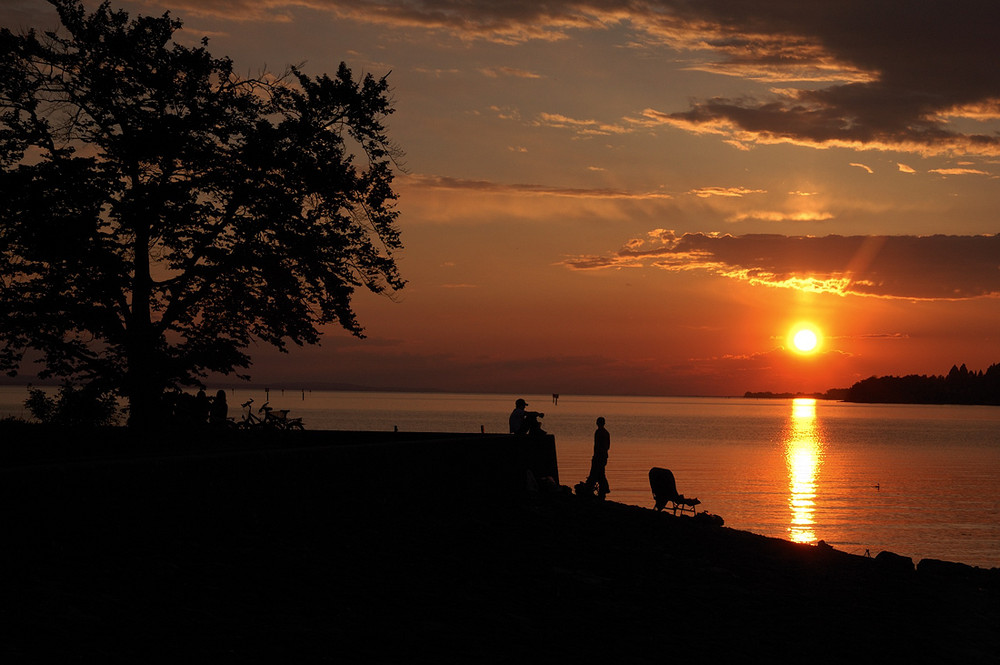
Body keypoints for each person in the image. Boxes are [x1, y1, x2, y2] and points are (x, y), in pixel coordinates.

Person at [585, 417, 611, 500]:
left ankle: (600, 489)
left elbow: (597, 446)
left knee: (595, 473)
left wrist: (596, 456)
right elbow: (608, 446)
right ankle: (602, 490)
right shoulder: (606, 433)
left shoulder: (598, 432)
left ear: (598, 423)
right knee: (600, 473)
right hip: (604, 456)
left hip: (598, 456)